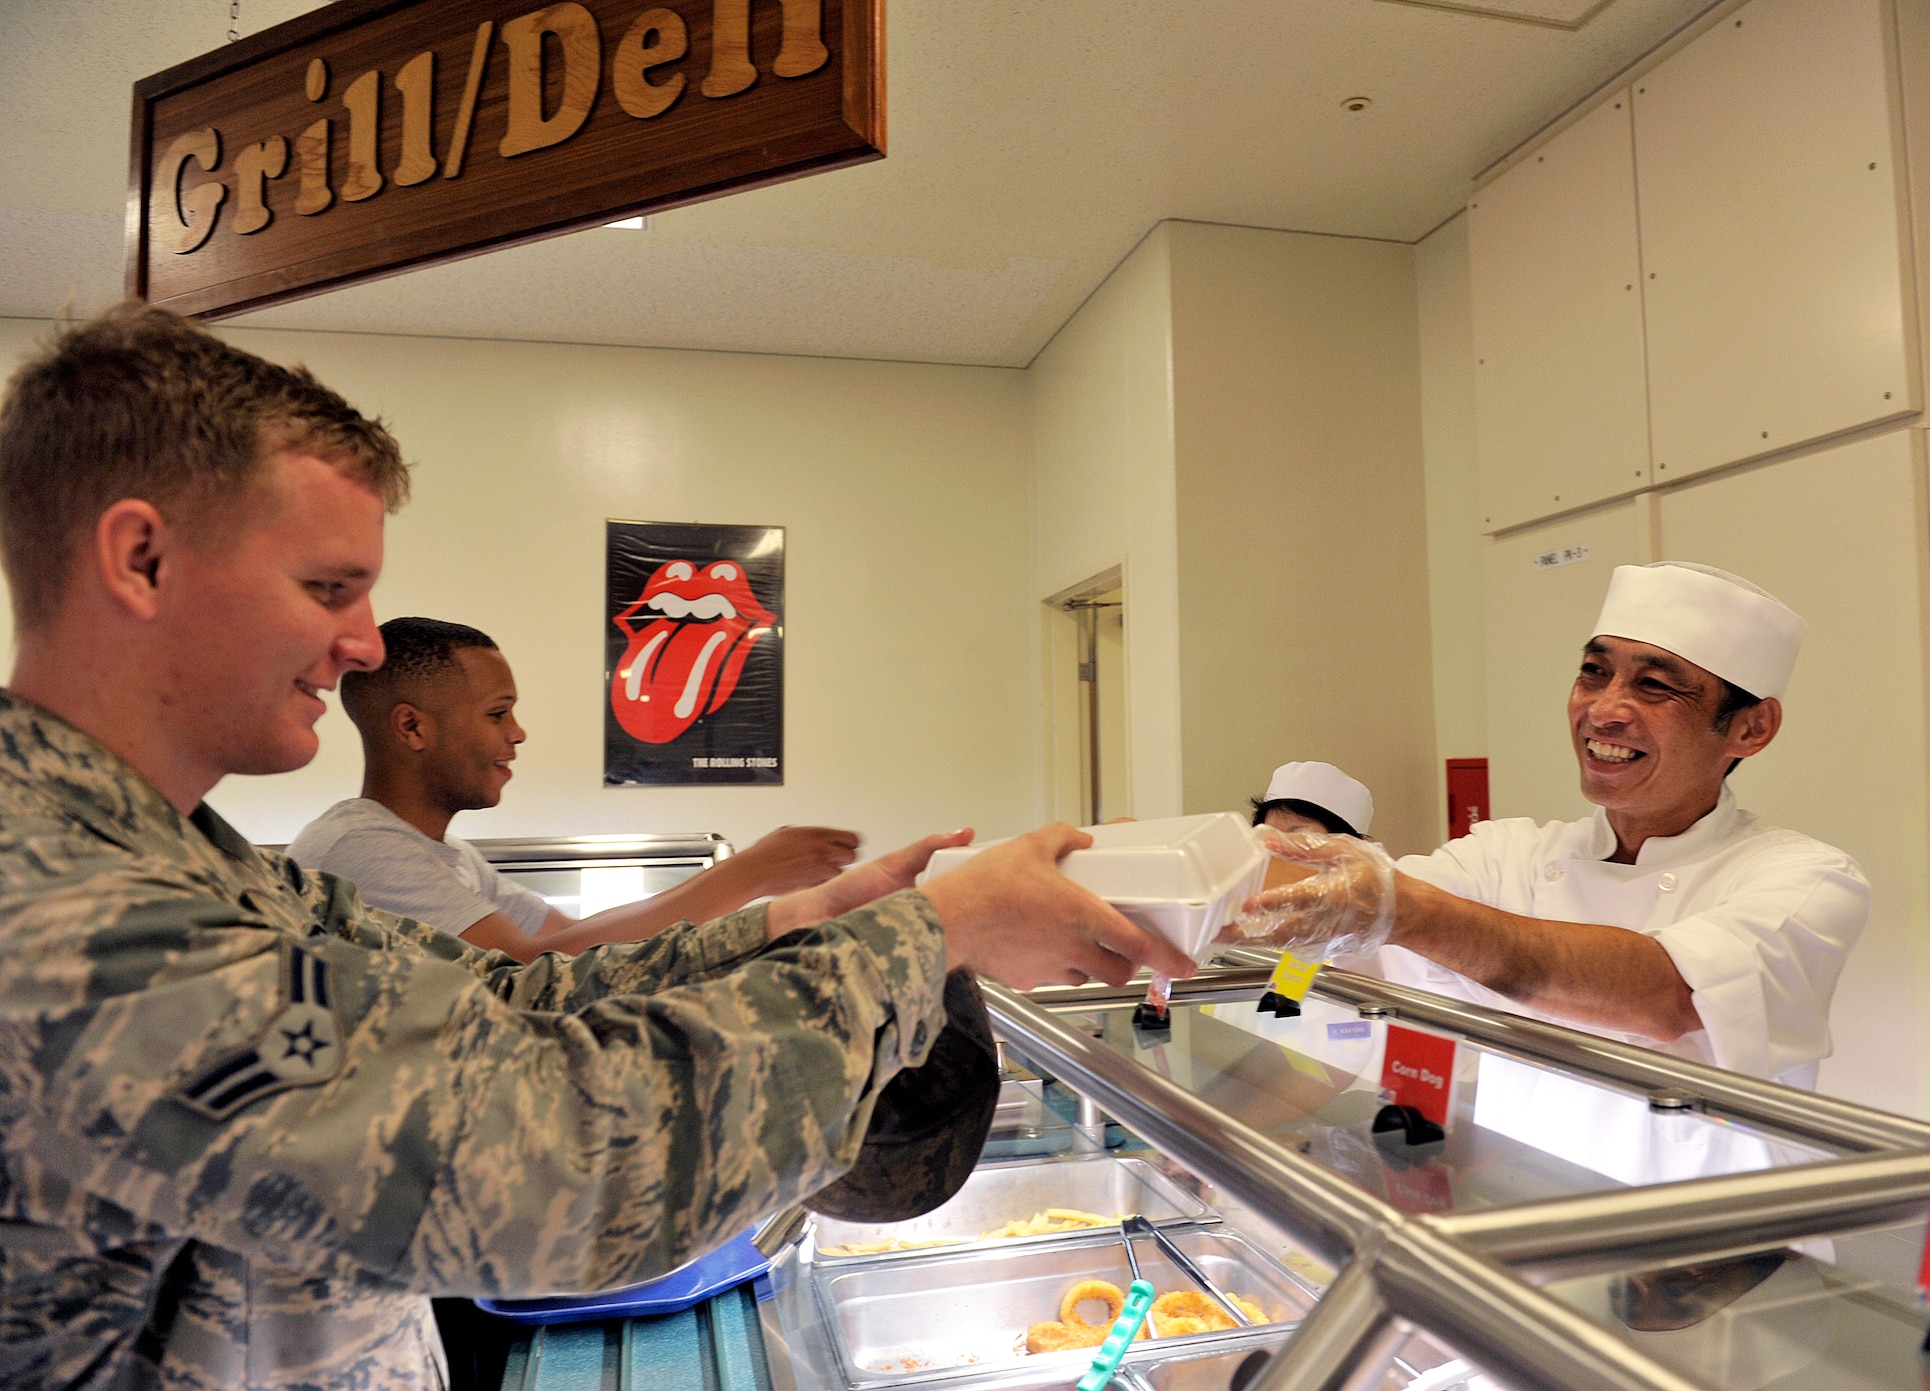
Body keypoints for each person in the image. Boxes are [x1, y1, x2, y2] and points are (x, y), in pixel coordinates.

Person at [0, 306, 1197, 1388]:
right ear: (140, 558)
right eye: (327, 587)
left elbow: (511, 992)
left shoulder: (199, 864)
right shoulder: (61, 913)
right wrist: (936, 933)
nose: (362, 646)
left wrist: (797, 925)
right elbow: (556, 1161)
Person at [1232, 561, 1869, 1090]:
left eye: (1654, 687)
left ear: (1750, 729)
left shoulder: (1806, 880)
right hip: (1529, 1216)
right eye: (1595, 672)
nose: (1604, 709)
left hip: (1717, 1236)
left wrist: (1403, 909)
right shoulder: (1509, 854)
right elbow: (1337, 908)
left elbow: (1666, 995)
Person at [289, 615, 864, 963]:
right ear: (412, 727)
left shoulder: (453, 858)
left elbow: (584, 942)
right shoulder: (358, 849)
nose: (517, 733)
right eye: (497, 713)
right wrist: (750, 874)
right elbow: (529, 967)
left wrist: (775, 907)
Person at [1248, 761, 1375, 1017]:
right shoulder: (1248, 919)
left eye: (1299, 837)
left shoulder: (1378, 934)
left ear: (1354, 847)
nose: (1280, 850)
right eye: (1269, 837)